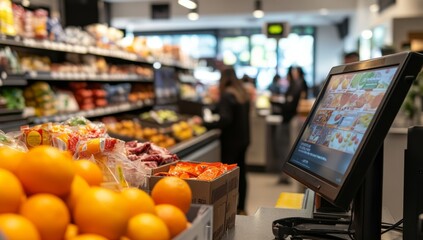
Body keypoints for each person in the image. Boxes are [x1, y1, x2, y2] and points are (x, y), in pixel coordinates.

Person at [204, 66, 250, 215]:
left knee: (227, 176)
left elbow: (226, 119)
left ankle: (227, 209)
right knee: (241, 173)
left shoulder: (226, 95)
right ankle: (241, 207)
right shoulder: (241, 93)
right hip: (243, 139)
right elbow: (226, 110)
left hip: (231, 141)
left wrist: (205, 124)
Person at [277, 66, 309, 184]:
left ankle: (286, 175)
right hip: (289, 119)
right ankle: (285, 174)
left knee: (287, 146)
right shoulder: (295, 85)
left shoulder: (299, 85)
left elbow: (293, 104)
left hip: (290, 119)